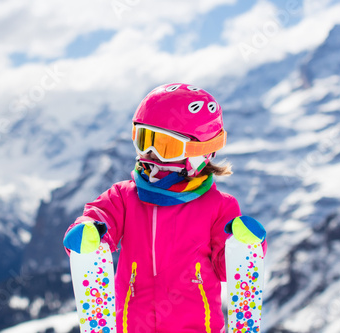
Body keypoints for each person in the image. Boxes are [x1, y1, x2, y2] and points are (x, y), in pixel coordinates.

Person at [63, 83, 266, 333]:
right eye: (144, 140)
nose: (150, 154)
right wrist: (90, 230)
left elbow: (226, 268)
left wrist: (245, 246)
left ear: (199, 152)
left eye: (164, 146)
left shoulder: (219, 207)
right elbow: (101, 216)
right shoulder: (125, 197)